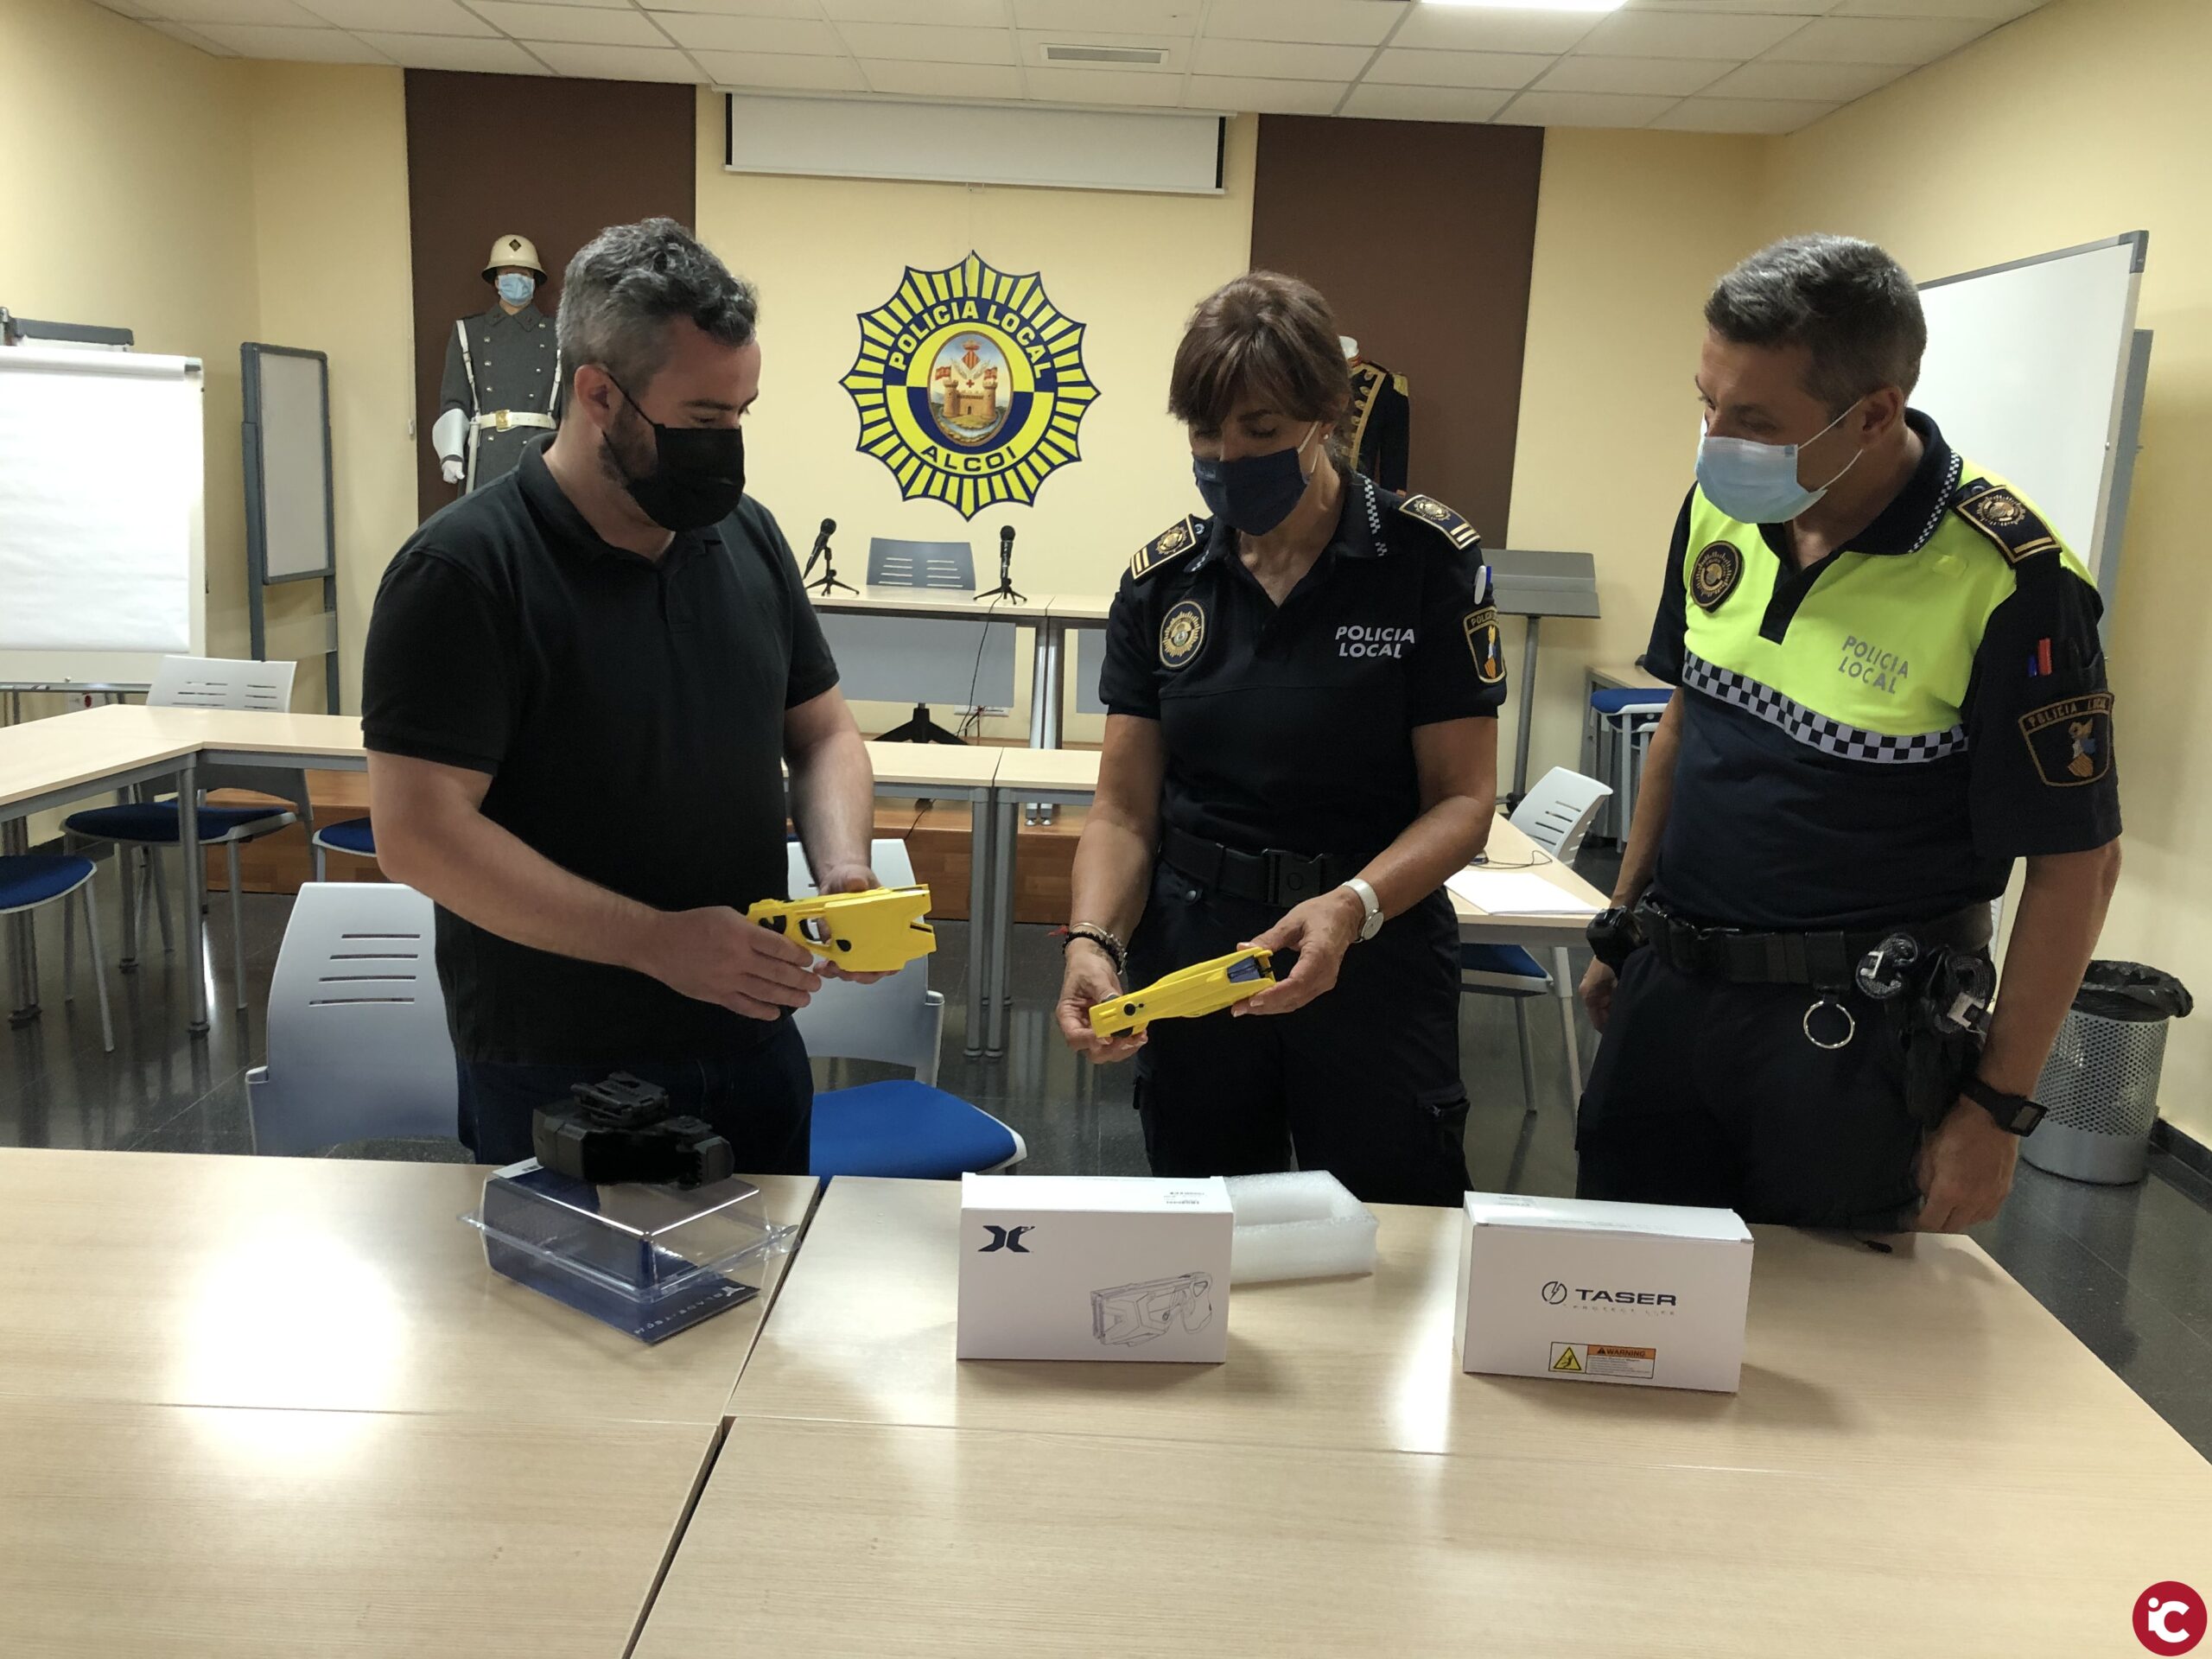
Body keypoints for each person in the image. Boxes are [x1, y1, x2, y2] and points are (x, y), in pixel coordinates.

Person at [1578, 233, 2123, 1233]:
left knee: (1821, 1318)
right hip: (1671, 995)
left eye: (1753, 421)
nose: (1714, 441)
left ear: (1873, 413)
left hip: (1851, 1041)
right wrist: (1621, 920)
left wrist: (1995, 1110)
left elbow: (2078, 866)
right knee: (1620, 1279)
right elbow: (1684, 724)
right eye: (1706, 403)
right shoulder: (1717, 511)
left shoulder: (2015, 583)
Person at [363, 218, 880, 1170]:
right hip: (561, 1066)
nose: (727, 446)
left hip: (751, 1032)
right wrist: (658, 944)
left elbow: (822, 735)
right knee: (566, 1277)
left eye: (742, 414)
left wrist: (843, 869)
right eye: (702, 420)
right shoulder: (463, 571)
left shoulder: (749, 538)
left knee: (769, 1269)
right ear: (598, 393)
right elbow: (419, 834)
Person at [1054, 270, 1505, 1207]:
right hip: (1200, 950)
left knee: (1393, 1229)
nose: (1227, 458)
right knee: (1207, 1226)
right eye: (1204, 433)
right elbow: (1124, 813)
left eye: (1259, 431)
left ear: (1326, 415)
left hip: (1371, 945)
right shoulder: (1165, 582)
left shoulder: (1426, 561)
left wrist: (1352, 905)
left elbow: (1464, 802)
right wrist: (1093, 939)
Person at [434, 232, 562, 493]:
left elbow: (570, 408)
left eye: (524, 274)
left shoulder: (558, 333)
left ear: (534, 281)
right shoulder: (469, 332)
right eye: (509, 273)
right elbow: (455, 400)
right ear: (496, 280)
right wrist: (451, 453)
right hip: (486, 458)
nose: (517, 279)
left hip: (540, 454)